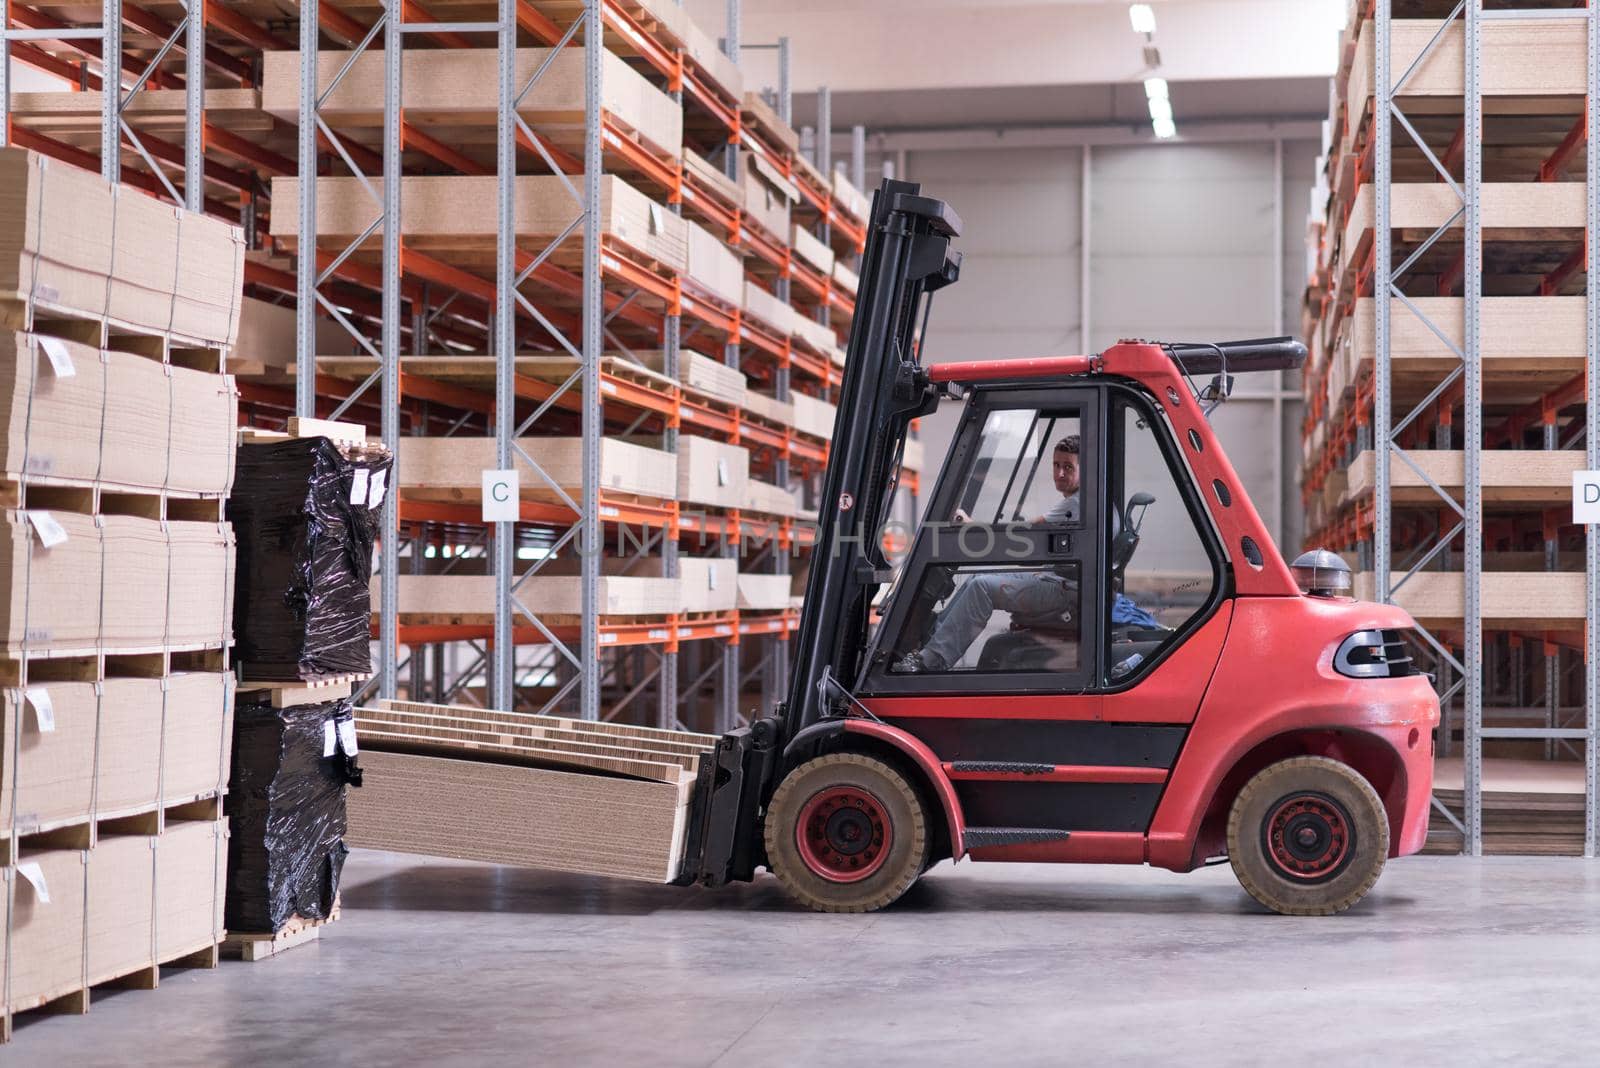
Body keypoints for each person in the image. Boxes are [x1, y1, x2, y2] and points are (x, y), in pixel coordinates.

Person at [895, 435, 1086, 673]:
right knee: (980, 577)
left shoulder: (1076, 505)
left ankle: (930, 660)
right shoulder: (1082, 502)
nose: (1059, 473)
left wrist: (970, 526)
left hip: (1066, 591)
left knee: (982, 587)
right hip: (1062, 582)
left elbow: (1022, 538)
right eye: (1056, 465)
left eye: (1068, 467)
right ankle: (935, 638)